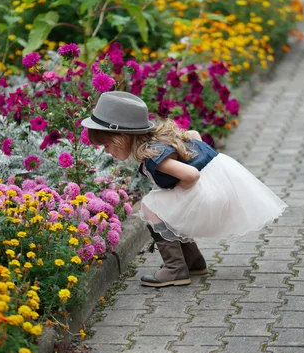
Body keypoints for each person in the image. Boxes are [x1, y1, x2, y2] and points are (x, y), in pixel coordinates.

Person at [81, 91, 287, 287]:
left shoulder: (154, 157)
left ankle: (175, 268)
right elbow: (194, 134)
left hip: (208, 192)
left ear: (121, 137)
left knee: (151, 205)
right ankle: (193, 261)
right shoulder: (160, 138)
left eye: (107, 145)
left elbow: (192, 175)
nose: (107, 152)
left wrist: (177, 191)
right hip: (221, 182)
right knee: (166, 206)